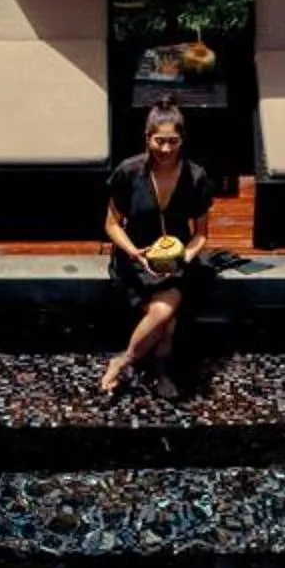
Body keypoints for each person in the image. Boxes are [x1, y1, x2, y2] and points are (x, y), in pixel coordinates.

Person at [100, 101, 216, 399]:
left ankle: (124, 360)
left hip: (177, 261)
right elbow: (112, 225)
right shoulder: (129, 172)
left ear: (183, 139)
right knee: (167, 317)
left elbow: (201, 234)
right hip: (135, 258)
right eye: (159, 140)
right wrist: (135, 253)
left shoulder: (196, 176)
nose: (166, 148)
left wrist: (185, 257)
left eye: (173, 141)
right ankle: (160, 370)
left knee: (165, 311)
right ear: (147, 137)